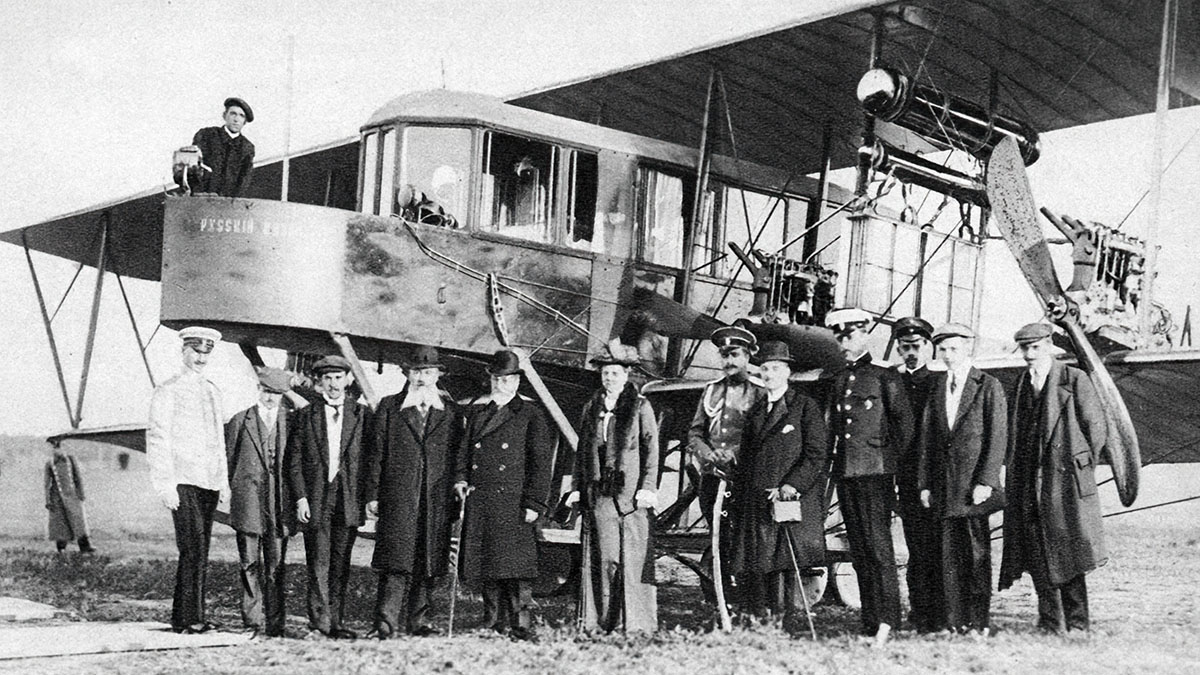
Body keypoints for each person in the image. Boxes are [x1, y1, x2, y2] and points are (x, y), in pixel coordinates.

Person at [999, 322, 1108, 634]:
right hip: (1028, 482)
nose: (1029, 354)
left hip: (1063, 482)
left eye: (1035, 347)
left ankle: (1077, 622)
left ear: (1048, 345)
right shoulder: (1022, 383)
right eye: (1025, 348)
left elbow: (1095, 429)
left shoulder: (1075, 379)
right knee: (1035, 550)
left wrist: (1077, 468)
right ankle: (1049, 621)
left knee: (1069, 550)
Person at [824, 307, 912, 645]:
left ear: (865, 334)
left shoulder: (885, 377)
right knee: (859, 551)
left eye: (849, 336)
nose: (844, 343)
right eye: (840, 338)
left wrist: (898, 477)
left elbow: (904, 429)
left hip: (876, 474)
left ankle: (888, 620)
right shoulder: (840, 380)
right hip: (847, 473)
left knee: (878, 549)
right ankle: (870, 622)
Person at [454, 350, 555, 641]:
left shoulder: (530, 413)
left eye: (507, 379)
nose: (501, 384)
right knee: (488, 563)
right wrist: (461, 479)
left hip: (514, 501)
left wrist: (535, 502)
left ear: (517, 381)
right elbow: (463, 453)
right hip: (482, 499)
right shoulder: (479, 413)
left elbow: (540, 463)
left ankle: (520, 625)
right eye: (497, 379)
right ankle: (492, 621)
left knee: (515, 566)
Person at [729, 341, 827, 635]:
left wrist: (791, 485)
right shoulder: (756, 410)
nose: (769, 374)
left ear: (787, 372)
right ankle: (760, 621)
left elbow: (816, 454)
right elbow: (747, 457)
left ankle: (783, 623)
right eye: (764, 369)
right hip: (757, 499)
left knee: (783, 563)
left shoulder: (805, 407)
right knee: (757, 561)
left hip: (788, 500)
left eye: (774, 368)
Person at [363, 346, 461, 639]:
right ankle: (385, 623)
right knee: (395, 563)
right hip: (398, 498)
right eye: (416, 372)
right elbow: (376, 453)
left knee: (428, 562)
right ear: (407, 374)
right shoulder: (390, 407)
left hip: (436, 499)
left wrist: (457, 486)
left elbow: (458, 456)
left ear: (437, 376)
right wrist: (373, 494)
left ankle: (419, 622)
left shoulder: (451, 413)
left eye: (428, 372)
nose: (421, 378)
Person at [916, 324, 1007, 635]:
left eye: (953, 348)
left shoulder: (988, 385)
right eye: (942, 349)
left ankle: (978, 622)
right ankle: (953, 620)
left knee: (975, 555)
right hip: (943, 487)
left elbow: (997, 437)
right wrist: (924, 484)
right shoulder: (937, 386)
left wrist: (986, 481)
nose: (948, 355)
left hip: (972, 489)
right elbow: (927, 439)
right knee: (947, 557)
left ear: (968, 348)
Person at [569, 342, 660, 634]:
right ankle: (602, 621)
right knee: (605, 559)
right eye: (606, 373)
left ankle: (635, 624)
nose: (609, 378)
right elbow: (582, 452)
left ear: (626, 375)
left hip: (631, 496)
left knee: (631, 560)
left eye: (615, 373)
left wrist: (647, 488)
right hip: (600, 495)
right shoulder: (591, 408)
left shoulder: (640, 407)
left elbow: (651, 450)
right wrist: (577, 487)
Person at [147, 326, 229, 634]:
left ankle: (193, 616)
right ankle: (186, 618)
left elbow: (218, 440)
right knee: (191, 548)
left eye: (206, 353)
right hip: (183, 480)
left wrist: (223, 481)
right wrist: (165, 485)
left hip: (208, 481)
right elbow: (158, 438)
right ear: (183, 351)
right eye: (195, 351)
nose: (201, 358)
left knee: (201, 549)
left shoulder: (212, 391)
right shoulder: (168, 390)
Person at [287, 355, 369, 640]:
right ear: (319, 382)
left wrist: (368, 498)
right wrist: (301, 498)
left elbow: (370, 460)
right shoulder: (305, 415)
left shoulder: (362, 415)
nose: (333, 384)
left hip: (348, 499)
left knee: (340, 563)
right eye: (328, 379)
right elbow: (294, 461)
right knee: (318, 563)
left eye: (338, 378)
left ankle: (336, 623)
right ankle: (319, 625)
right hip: (317, 499)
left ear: (348, 380)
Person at [685, 326, 766, 608]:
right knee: (718, 535)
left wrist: (733, 454)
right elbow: (695, 432)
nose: (729, 361)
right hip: (712, 476)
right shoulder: (711, 390)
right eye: (725, 355)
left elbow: (763, 435)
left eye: (735, 355)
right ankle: (720, 597)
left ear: (747, 357)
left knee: (742, 537)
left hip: (744, 478)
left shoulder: (759, 391)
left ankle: (746, 599)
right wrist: (708, 455)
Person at [225, 367, 296, 638]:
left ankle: (276, 625)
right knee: (249, 564)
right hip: (249, 503)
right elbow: (230, 462)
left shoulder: (291, 422)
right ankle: (252, 623)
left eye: (275, 394)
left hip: (279, 505)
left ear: (282, 396)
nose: (269, 398)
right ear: (258, 390)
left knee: (276, 566)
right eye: (266, 391)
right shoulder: (240, 420)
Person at [890, 316, 943, 633]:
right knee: (916, 547)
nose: (911, 353)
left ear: (928, 348)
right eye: (905, 347)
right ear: (898, 349)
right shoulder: (891, 382)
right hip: (905, 477)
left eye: (916, 346)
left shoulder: (939, 382)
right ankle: (920, 610)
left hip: (935, 477)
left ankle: (939, 612)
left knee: (936, 545)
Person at [176, 97, 255, 197]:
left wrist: (232, 200)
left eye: (241, 116)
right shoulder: (206, 135)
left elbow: (244, 180)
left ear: (245, 122)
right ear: (224, 115)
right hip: (201, 198)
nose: (236, 119)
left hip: (227, 202)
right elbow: (192, 169)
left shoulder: (247, 147)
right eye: (233, 114)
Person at [45, 447, 95, 554]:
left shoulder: (71, 460)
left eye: (59, 448)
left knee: (78, 520)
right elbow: (47, 483)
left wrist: (81, 493)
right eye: (54, 449)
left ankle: (85, 546)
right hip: (57, 498)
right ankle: (61, 548)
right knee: (60, 522)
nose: (57, 451)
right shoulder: (50, 463)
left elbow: (78, 477)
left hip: (72, 495)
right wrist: (48, 500)